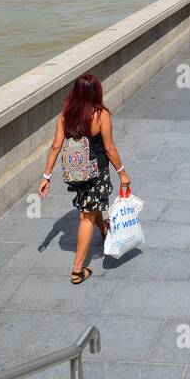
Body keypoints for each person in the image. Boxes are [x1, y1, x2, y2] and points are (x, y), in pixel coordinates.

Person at [39, 73, 131, 284]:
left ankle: (104, 229)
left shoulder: (65, 116)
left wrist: (46, 177)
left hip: (76, 174)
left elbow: (55, 146)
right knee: (86, 216)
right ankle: (78, 270)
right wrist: (123, 173)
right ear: (96, 91)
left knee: (89, 206)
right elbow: (109, 148)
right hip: (96, 173)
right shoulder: (100, 115)